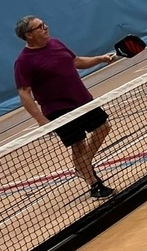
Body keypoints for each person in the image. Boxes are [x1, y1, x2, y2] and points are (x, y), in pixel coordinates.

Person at [14, 16, 116, 199]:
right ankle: (95, 185)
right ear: (28, 35)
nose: (46, 27)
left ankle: (82, 166)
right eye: (40, 27)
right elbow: (24, 93)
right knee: (78, 145)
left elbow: (76, 62)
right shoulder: (23, 61)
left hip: (81, 99)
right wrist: (40, 120)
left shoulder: (56, 43)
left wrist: (101, 59)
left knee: (103, 127)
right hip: (57, 108)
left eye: (44, 24)